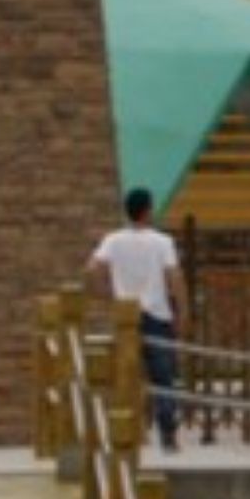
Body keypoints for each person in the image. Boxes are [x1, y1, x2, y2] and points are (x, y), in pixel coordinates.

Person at [87, 186, 188, 448]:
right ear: (147, 211)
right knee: (163, 377)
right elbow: (174, 277)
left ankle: (126, 431)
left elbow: (93, 269)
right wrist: (182, 310)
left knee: (126, 375)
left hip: (126, 315)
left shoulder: (113, 240)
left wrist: (107, 293)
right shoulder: (162, 242)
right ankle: (167, 432)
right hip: (156, 314)